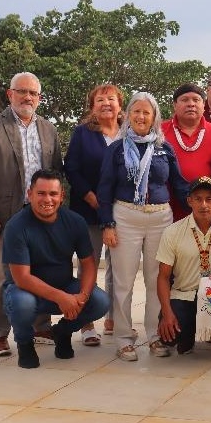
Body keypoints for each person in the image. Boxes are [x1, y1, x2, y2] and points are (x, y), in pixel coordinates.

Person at [0, 72, 64, 357]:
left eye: (33, 93)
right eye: (22, 91)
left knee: (41, 270)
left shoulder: (48, 129)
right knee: (0, 275)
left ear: (39, 98)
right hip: (3, 215)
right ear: (10, 94)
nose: (27, 97)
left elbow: (56, 174)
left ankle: (40, 326)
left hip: (42, 214)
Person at [98, 92, 191, 361]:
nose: (141, 117)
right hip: (125, 217)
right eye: (136, 111)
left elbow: (179, 184)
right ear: (128, 115)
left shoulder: (165, 148)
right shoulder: (116, 148)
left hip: (160, 219)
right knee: (124, 282)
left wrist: (201, 204)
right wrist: (107, 224)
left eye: (146, 112)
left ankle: (154, 335)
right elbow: (104, 188)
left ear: (154, 117)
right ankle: (123, 338)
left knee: (156, 280)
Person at [2, 169, 110, 368]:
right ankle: (25, 343)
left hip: (64, 285)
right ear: (30, 194)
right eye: (41, 193)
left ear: (62, 196)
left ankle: (62, 332)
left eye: (53, 194)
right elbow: (22, 278)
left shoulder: (75, 221)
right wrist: (61, 298)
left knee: (100, 301)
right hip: (25, 292)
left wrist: (82, 296)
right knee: (21, 303)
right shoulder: (16, 226)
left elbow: (88, 263)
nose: (47, 199)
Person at [154, 177, 211, 364]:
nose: (204, 205)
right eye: (198, 199)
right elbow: (163, 277)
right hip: (185, 294)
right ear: (189, 201)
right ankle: (188, 335)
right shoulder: (172, 231)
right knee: (170, 337)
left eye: (209, 199)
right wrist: (167, 314)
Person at [64, 83, 125, 346]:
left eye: (111, 99)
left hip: (122, 211)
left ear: (120, 105)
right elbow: (72, 169)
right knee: (88, 265)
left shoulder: (129, 132)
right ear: (92, 107)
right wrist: (92, 197)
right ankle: (86, 323)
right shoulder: (82, 133)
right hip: (88, 210)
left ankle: (113, 317)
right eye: (100, 100)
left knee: (118, 267)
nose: (106, 103)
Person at [161, 83, 211, 221]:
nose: (191, 104)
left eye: (196, 100)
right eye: (185, 100)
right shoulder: (159, 132)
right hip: (165, 212)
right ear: (175, 105)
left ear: (204, 105)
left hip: (206, 212)